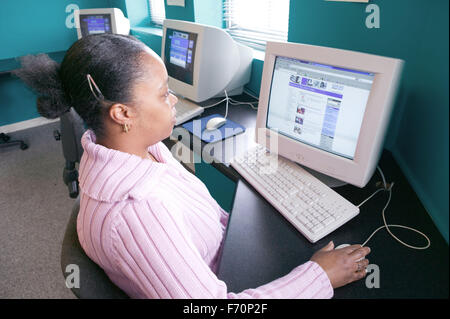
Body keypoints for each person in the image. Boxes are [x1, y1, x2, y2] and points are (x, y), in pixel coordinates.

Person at [14, 34, 370, 299]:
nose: (172, 100)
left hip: (224, 256)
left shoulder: (130, 147)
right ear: (123, 113)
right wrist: (318, 277)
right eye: (162, 92)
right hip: (228, 281)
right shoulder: (138, 212)